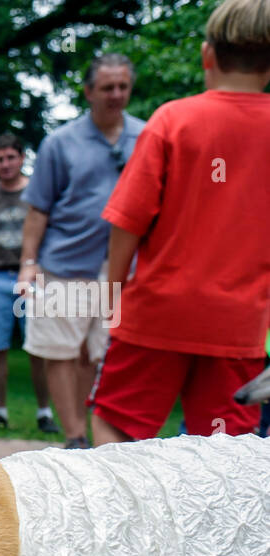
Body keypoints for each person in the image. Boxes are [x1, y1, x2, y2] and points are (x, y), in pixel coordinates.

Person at [90, 0, 270, 445]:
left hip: (156, 312)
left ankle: (128, 516)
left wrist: (114, 291)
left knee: (117, 424)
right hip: (240, 323)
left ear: (208, 55)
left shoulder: (173, 119)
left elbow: (127, 222)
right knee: (225, 452)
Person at [17, 53, 144, 449]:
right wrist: (28, 264)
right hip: (64, 265)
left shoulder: (145, 136)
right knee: (59, 351)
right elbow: (38, 209)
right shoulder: (60, 142)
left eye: (123, 86)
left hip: (121, 267)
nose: (116, 94)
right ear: (89, 92)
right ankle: (74, 436)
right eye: (107, 87)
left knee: (95, 352)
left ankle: (85, 432)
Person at [0, 133, 57, 434]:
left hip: (32, 277)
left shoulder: (36, 192)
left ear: (21, 158)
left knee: (39, 347)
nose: (5, 164)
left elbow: (50, 234)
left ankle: (45, 413)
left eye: (11, 157)